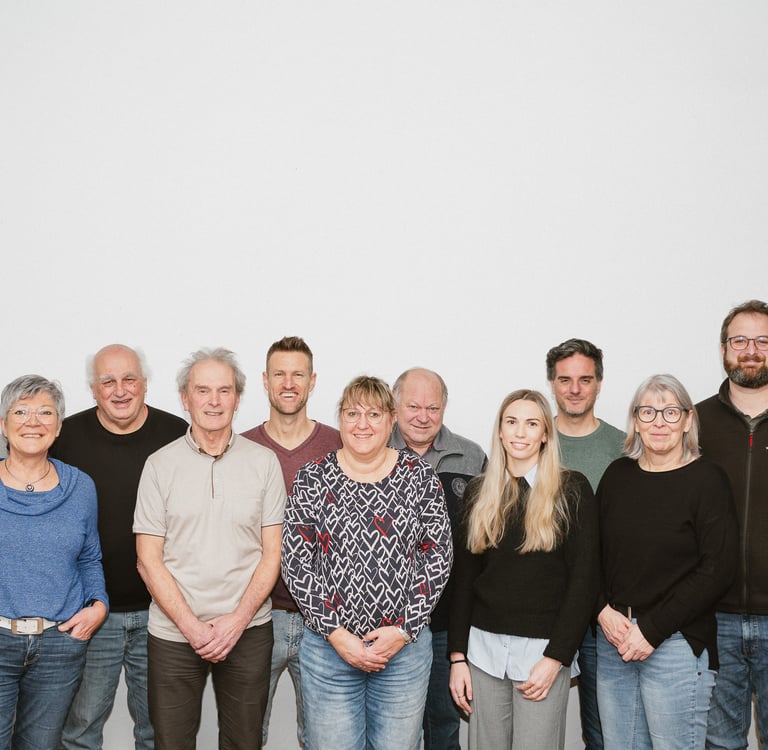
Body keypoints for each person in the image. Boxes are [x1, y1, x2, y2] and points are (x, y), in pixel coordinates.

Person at [282, 375, 453, 750]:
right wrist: (337, 634)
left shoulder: (420, 477)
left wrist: (403, 630)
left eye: (374, 414)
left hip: (403, 654)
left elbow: (437, 556)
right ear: (340, 419)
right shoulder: (313, 478)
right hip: (330, 651)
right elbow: (296, 562)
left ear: (391, 420)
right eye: (352, 413)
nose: (362, 424)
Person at [133, 348, 286, 750]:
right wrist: (191, 627)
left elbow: (272, 553)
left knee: (244, 742)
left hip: (248, 630)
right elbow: (148, 560)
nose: (214, 401)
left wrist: (235, 622)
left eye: (224, 391)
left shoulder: (264, 462)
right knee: (171, 743)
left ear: (238, 398)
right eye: (203, 390)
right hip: (173, 632)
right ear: (186, 398)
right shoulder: (159, 465)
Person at [53, 344, 187, 750]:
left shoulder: (176, 434)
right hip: (92, 612)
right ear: (93, 389)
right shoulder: (65, 437)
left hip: (162, 613)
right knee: (80, 730)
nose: (120, 390)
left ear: (145, 383)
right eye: (108, 381)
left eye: (129, 379)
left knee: (158, 732)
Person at [448, 389, 598, 750]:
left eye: (531, 424)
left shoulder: (571, 489)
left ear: (545, 433)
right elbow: (464, 580)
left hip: (541, 655)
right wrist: (457, 657)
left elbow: (584, 581)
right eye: (511, 422)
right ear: (500, 431)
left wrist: (557, 656)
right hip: (482, 653)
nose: (520, 432)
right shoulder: (478, 491)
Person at [596, 374, 738, 750]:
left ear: (688, 420)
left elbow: (717, 569)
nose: (659, 422)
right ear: (636, 420)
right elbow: (590, 554)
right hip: (615, 639)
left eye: (670, 412)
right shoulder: (617, 476)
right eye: (648, 412)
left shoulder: (707, 479)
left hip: (676, 643)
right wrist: (601, 610)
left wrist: (651, 630)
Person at [242, 336, 341, 749]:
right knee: (247, 735)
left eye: (297, 374)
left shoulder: (340, 445)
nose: (288, 383)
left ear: (312, 381)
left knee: (324, 739)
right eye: (279, 374)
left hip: (325, 621)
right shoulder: (240, 447)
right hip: (257, 617)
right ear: (264, 380)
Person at [0, 375, 108, 750]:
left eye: (45, 412)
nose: (33, 422)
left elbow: (89, 557)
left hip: (59, 647)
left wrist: (98, 604)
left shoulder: (81, 487)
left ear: (59, 427)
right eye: (21, 412)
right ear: (4, 424)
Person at [390, 367, 486, 750]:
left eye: (432, 408)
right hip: (389, 624)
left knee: (444, 725)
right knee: (394, 731)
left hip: (449, 620)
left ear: (444, 408)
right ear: (395, 405)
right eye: (413, 406)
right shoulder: (372, 450)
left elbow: (487, 540)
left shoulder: (471, 456)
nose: (423, 416)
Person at [545, 338, 625, 750]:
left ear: (599, 383)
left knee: (602, 732)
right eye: (565, 380)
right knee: (536, 731)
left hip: (601, 615)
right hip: (540, 612)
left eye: (585, 379)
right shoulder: (530, 441)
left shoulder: (625, 448)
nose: (575, 389)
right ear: (552, 384)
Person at [699, 300, 768, 750]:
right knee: (720, 744)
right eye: (740, 340)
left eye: (763, 341)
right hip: (714, 618)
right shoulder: (693, 423)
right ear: (724, 349)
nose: (751, 350)